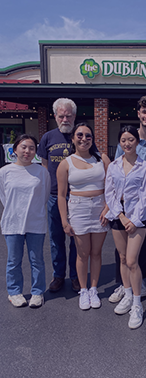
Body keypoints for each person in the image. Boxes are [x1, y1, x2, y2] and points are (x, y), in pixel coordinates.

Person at [109, 95, 146, 303]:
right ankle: (124, 284)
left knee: (145, 243)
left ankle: (142, 279)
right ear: (138, 113)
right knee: (121, 248)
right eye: (144, 112)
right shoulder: (127, 139)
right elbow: (115, 175)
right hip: (125, 203)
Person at [57, 123, 111, 310]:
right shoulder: (66, 163)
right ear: (72, 138)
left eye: (88, 136)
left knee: (96, 253)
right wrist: (65, 220)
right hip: (78, 209)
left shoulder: (102, 158)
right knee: (82, 253)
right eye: (80, 135)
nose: (84, 139)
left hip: (99, 209)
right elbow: (62, 195)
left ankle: (94, 289)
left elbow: (111, 188)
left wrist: (107, 208)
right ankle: (83, 290)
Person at [105, 125, 146, 329]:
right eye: (123, 140)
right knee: (122, 258)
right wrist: (121, 216)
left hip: (138, 217)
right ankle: (126, 292)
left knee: (133, 261)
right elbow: (109, 193)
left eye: (131, 139)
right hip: (118, 215)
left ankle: (136, 304)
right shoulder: (114, 165)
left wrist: (132, 219)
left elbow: (145, 196)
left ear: (137, 142)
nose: (127, 143)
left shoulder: (145, 167)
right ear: (120, 142)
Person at [0, 135, 50, 308]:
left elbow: (44, 195)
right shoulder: (4, 172)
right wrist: (16, 211)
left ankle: (37, 292)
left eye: (31, 148)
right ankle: (14, 292)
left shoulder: (41, 172)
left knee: (36, 260)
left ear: (35, 152)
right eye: (23, 147)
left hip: (35, 222)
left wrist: (32, 211)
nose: (27, 151)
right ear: (15, 150)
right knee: (13, 260)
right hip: (12, 222)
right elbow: (4, 197)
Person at [37, 98, 79, 293]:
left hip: (78, 197)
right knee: (56, 238)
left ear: (74, 116)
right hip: (54, 196)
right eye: (61, 115)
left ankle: (76, 276)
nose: (65, 119)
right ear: (55, 116)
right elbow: (44, 166)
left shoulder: (81, 136)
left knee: (77, 239)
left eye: (68, 115)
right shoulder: (47, 137)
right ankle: (58, 275)